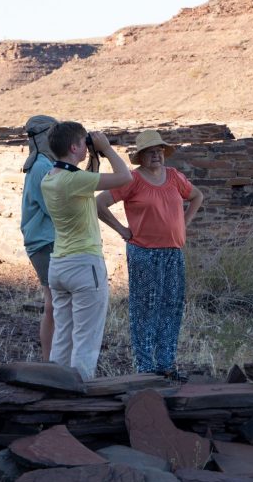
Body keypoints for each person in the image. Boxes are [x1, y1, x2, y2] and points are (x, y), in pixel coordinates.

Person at [96, 130, 203, 379]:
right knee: (145, 309)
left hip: (173, 253)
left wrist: (184, 222)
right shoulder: (132, 180)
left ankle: (166, 364)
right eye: (150, 152)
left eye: (159, 151)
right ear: (141, 156)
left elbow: (197, 196)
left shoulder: (174, 176)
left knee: (171, 308)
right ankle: (145, 368)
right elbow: (99, 204)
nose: (157, 155)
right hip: (144, 252)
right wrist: (122, 230)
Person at [41, 122, 131, 379]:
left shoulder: (50, 178)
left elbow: (84, 179)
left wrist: (92, 155)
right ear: (73, 147)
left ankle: (56, 387)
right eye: (83, 142)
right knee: (85, 339)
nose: (85, 146)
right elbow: (125, 177)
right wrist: (107, 149)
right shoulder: (75, 180)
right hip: (84, 265)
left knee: (63, 336)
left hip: (59, 265)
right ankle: (80, 391)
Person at [20, 114, 58, 361]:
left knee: (55, 303)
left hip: (44, 239)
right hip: (45, 241)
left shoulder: (42, 163)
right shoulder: (43, 166)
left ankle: (52, 359)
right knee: (53, 303)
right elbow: (54, 208)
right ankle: (49, 359)